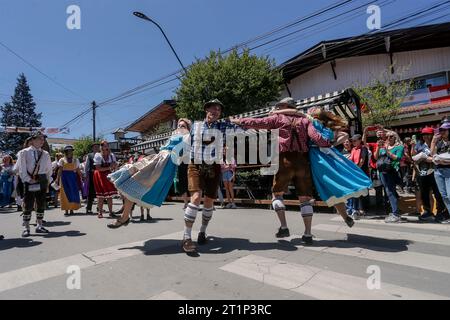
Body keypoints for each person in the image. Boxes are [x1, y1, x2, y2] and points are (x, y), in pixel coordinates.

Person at [231, 98, 355, 246]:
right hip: (303, 161)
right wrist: (329, 143)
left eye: (279, 105)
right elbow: (317, 139)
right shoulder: (306, 121)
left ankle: (284, 227)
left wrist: (239, 121)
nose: (277, 107)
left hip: (285, 160)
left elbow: (258, 122)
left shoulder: (278, 118)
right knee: (304, 198)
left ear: (284, 106)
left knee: (277, 194)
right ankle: (308, 234)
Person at [106, 118, 192, 229]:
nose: (180, 128)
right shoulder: (175, 136)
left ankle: (124, 217)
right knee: (132, 183)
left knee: (135, 183)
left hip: (165, 165)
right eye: (179, 125)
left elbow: (186, 154)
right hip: (158, 159)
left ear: (188, 129)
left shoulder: (187, 137)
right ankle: (125, 216)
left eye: (183, 126)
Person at [182, 100, 239, 253]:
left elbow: (243, 127)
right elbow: (183, 139)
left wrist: (235, 120)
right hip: (195, 164)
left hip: (214, 165)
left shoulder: (223, 126)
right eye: (213, 108)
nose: (216, 110)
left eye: (219, 109)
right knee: (196, 197)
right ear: (206, 110)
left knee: (209, 200)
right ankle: (187, 237)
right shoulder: (195, 126)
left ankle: (202, 231)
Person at [17, 131, 52, 237]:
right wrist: (27, 179)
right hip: (29, 180)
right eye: (39, 138)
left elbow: (49, 169)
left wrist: (47, 181)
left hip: (42, 179)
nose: (42, 141)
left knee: (41, 203)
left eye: (43, 139)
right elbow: (21, 168)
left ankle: (39, 226)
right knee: (28, 204)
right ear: (32, 140)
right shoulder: (24, 152)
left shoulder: (45, 154)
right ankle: (26, 228)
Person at [412, 127, 449, 223]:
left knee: (439, 194)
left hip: (436, 171)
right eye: (424, 134)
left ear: (432, 135)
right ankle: (427, 212)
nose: (426, 136)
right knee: (424, 193)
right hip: (423, 172)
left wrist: (425, 157)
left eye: (428, 134)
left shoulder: (438, 143)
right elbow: (414, 157)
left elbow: (435, 158)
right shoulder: (419, 145)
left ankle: (440, 212)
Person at [375, 132, 404, 223]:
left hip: (391, 172)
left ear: (395, 137)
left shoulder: (399, 147)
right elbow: (376, 157)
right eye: (387, 136)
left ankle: (395, 214)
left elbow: (397, 158)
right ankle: (394, 211)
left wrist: (387, 150)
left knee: (390, 192)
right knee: (388, 192)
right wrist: (379, 147)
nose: (388, 138)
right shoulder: (383, 147)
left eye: (391, 136)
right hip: (382, 172)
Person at [430, 122, 450, 224]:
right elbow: (432, 154)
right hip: (438, 171)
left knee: (449, 195)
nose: (441, 132)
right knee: (444, 196)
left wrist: (444, 161)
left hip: (448, 170)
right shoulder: (438, 142)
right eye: (440, 130)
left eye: (444, 130)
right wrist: (433, 142)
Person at [347, 134, 370, 219]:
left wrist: (355, 170)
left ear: (360, 140)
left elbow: (361, 161)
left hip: (361, 173)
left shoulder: (363, 148)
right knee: (355, 192)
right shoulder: (353, 149)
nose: (353, 142)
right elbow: (350, 160)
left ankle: (361, 209)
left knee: (361, 192)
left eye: (354, 140)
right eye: (352, 141)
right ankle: (355, 209)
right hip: (355, 173)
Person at [93, 141, 118, 218]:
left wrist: (115, 168)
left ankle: (111, 212)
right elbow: (98, 168)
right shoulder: (98, 155)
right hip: (99, 175)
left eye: (107, 146)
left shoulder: (111, 155)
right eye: (105, 146)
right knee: (101, 195)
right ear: (101, 147)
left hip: (108, 175)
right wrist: (109, 167)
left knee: (110, 195)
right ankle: (100, 212)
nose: (107, 147)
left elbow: (115, 164)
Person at [56, 145, 83, 216]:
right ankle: (66, 210)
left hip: (72, 178)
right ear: (66, 152)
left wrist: (82, 176)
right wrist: (57, 179)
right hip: (64, 178)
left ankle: (71, 209)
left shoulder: (75, 159)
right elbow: (60, 170)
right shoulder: (62, 160)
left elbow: (77, 169)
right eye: (68, 151)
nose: (70, 152)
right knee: (64, 194)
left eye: (71, 151)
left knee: (73, 193)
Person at [84, 142, 101, 214]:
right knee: (91, 192)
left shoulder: (101, 155)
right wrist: (86, 175)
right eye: (95, 147)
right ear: (92, 148)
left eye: (97, 147)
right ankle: (88, 208)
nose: (96, 148)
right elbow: (87, 165)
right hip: (92, 174)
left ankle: (99, 208)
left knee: (100, 192)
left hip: (100, 174)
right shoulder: (89, 155)